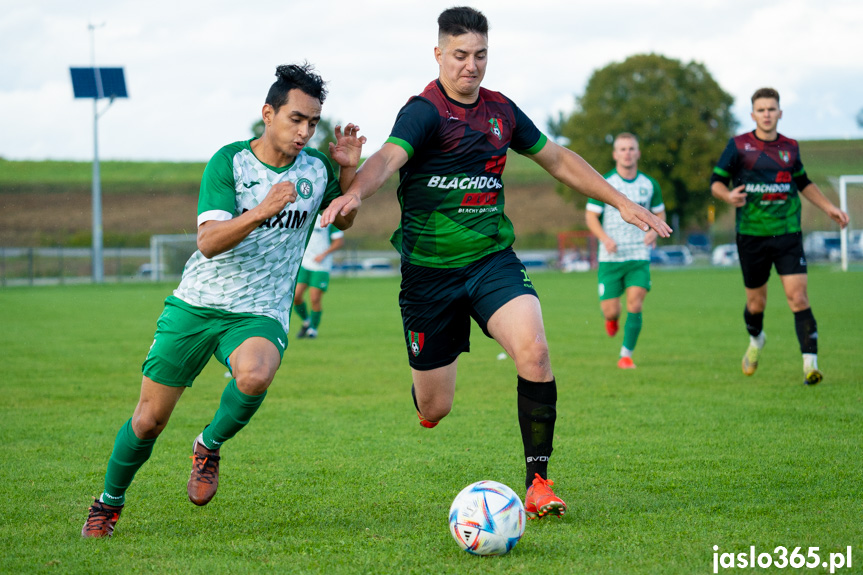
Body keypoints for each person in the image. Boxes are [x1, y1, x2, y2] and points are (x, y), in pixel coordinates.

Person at [322, 6, 671, 519]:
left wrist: (619, 199)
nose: (472, 66)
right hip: (429, 275)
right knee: (436, 407)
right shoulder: (423, 111)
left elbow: (557, 158)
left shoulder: (501, 111)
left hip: (491, 261)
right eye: (460, 55)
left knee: (535, 351)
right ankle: (426, 398)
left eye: (481, 55)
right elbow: (388, 159)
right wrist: (357, 191)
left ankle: (538, 482)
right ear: (438, 53)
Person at [81, 63, 365, 537]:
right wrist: (262, 210)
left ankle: (208, 445)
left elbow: (342, 220)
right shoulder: (229, 162)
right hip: (196, 305)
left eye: (313, 122)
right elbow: (208, 241)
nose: (305, 131)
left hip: (259, 310)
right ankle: (108, 502)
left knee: (254, 374)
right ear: (267, 114)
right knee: (149, 420)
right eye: (296, 118)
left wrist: (348, 171)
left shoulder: (316, 169)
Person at [710, 87, 849, 385]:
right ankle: (757, 339)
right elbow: (716, 182)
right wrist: (727, 195)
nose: (767, 114)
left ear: (780, 113)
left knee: (798, 297)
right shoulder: (738, 146)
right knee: (756, 304)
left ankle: (810, 365)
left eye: (771, 109)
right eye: (761, 109)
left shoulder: (790, 147)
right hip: (751, 235)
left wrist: (829, 208)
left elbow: (803, 182)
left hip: (787, 233)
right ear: (753, 115)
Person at [585, 133, 666, 369]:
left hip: (639, 256)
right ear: (615, 154)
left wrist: (653, 230)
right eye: (622, 149)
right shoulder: (605, 183)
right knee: (610, 311)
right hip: (610, 258)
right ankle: (612, 320)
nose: (627, 153)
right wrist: (604, 238)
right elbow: (591, 216)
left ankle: (626, 355)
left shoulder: (649, 185)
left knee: (635, 303)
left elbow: (660, 214)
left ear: (638, 153)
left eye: (631, 148)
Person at [293, 214, 345, 339]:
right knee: (295, 296)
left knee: (315, 298)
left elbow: (339, 242)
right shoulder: (305, 214)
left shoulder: (329, 216)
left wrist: (324, 254)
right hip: (304, 263)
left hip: (321, 266)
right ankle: (306, 321)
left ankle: (313, 330)